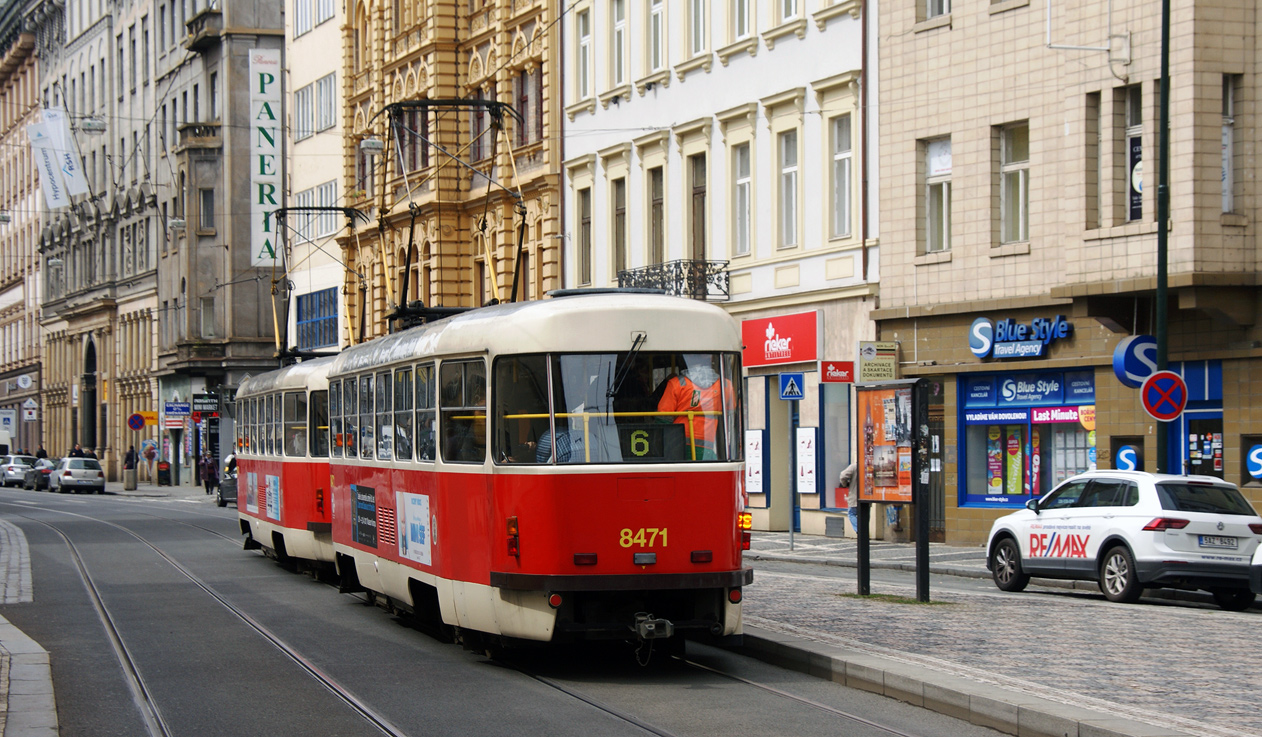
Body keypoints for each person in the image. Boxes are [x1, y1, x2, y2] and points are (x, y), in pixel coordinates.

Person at [840, 462, 859, 537]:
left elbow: (843, 475)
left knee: (851, 514)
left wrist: (844, 484)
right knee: (864, 516)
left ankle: (859, 530)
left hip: (854, 496)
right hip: (866, 497)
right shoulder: (867, 466)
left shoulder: (854, 466)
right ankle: (864, 532)